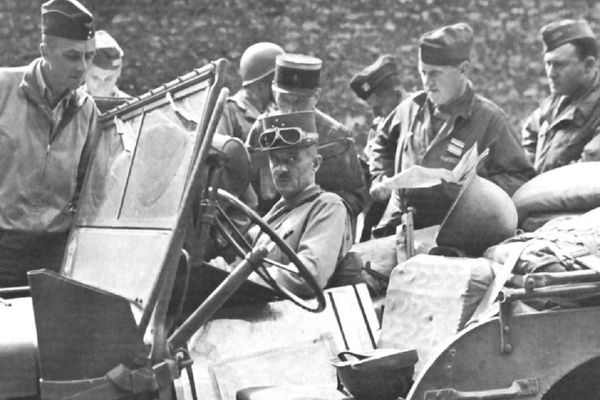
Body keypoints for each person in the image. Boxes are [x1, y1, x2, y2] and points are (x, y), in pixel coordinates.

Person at [370, 22, 535, 234]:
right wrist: (381, 177)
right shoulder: (411, 108)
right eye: (423, 72)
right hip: (400, 225)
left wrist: (469, 191)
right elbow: (381, 142)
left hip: (456, 233)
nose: (427, 83)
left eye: (435, 74)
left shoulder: (490, 120)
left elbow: (519, 179)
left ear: (463, 70)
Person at [0, 0, 99, 287]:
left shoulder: (87, 109)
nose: (82, 68)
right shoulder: (4, 89)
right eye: (71, 56)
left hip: (55, 254)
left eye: (87, 56)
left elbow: (88, 186)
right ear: (45, 52)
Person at [246, 53, 368, 223]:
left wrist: (318, 209)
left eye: (301, 102)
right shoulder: (261, 129)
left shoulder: (336, 137)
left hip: (319, 226)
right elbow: (245, 188)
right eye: (284, 100)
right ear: (273, 91)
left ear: (316, 96)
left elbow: (357, 197)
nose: (291, 109)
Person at [250, 111, 355, 297]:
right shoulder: (271, 218)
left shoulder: (327, 207)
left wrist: (245, 279)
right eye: (275, 160)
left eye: (292, 159)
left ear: (315, 164)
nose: (281, 169)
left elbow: (308, 276)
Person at [522, 19, 600, 173]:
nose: (551, 74)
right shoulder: (556, 102)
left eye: (559, 64)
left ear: (589, 65)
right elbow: (528, 139)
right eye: (548, 64)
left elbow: (585, 174)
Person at [350, 54, 404, 241]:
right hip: (375, 211)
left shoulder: (419, 119)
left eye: (379, 107)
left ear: (395, 94)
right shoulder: (380, 124)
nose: (376, 114)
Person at [216, 42, 284, 141]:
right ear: (259, 86)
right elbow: (218, 151)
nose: (280, 88)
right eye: (276, 82)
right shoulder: (228, 110)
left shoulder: (275, 113)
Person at [83, 29, 129, 98]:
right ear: (84, 72)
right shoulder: (67, 105)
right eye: (95, 78)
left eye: (108, 79)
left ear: (118, 73)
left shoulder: (131, 105)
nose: (102, 85)